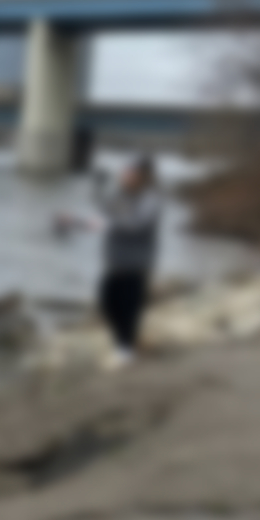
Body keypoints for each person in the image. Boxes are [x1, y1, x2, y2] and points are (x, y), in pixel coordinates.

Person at [61, 156, 163, 370]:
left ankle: (125, 352)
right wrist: (94, 191)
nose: (124, 176)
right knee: (107, 304)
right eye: (124, 173)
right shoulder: (121, 196)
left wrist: (108, 221)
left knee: (129, 309)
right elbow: (103, 211)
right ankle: (126, 345)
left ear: (142, 177)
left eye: (130, 173)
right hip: (114, 263)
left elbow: (135, 225)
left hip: (135, 265)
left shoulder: (150, 200)